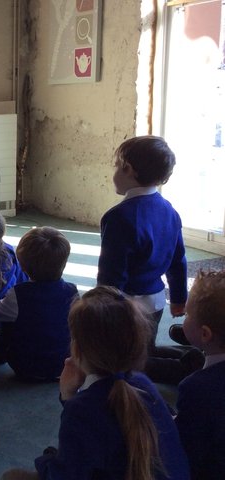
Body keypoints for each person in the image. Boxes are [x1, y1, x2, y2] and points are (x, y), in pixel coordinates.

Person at [1, 286, 190, 480]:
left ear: (77, 349)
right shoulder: (143, 384)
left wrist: (48, 458)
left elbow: (65, 475)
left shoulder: (81, 410)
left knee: (11, 477)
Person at [97, 135, 202, 385]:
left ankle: (185, 372)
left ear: (128, 169)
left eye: (116, 166)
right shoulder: (170, 210)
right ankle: (193, 358)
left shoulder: (118, 217)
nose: (114, 171)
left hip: (128, 306)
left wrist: (101, 310)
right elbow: (179, 260)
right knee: (146, 348)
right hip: (156, 302)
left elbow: (112, 275)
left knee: (125, 363)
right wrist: (178, 299)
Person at [0, 227, 78, 381]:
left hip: (26, 367)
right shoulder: (72, 291)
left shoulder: (18, 294)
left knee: (1, 326)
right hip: (63, 364)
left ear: (23, 267)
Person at [175, 270, 225, 480]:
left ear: (205, 333)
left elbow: (186, 450)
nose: (184, 316)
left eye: (187, 314)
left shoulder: (196, 389)